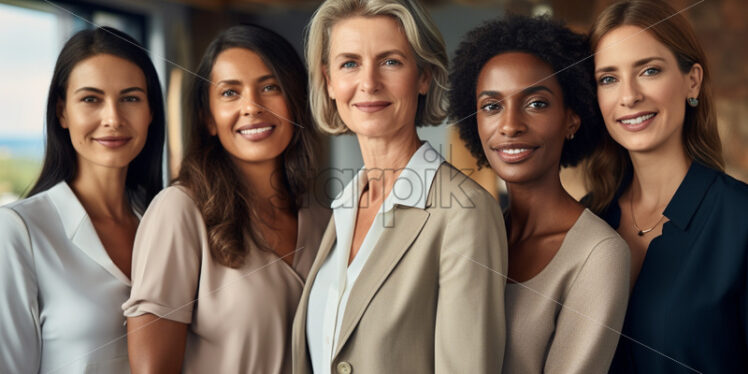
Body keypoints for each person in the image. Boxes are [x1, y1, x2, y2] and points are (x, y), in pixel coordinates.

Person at [291, 1, 508, 373]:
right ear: (328, 81)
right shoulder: (341, 209)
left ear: (424, 75)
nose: (369, 83)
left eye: (390, 61)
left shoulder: (464, 213)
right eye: (350, 63)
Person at [123, 24, 326, 374]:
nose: (252, 107)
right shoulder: (180, 212)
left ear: (295, 102)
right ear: (208, 119)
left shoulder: (324, 220)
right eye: (230, 93)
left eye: (270, 87)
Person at [449, 15, 630, 373]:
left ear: (571, 120)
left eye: (536, 103)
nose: (510, 124)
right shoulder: (473, 236)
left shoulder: (599, 255)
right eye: (492, 106)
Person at [584, 1, 748, 372]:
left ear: (692, 80)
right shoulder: (587, 216)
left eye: (649, 71)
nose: (628, 96)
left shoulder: (740, 220)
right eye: (608, 78)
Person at [0, 27, 165, 373]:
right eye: (91, 99)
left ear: (151, 111)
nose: (113, 119)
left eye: (131, 98)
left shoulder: (167, 222)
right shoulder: (18, 232)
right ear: (62, 112)